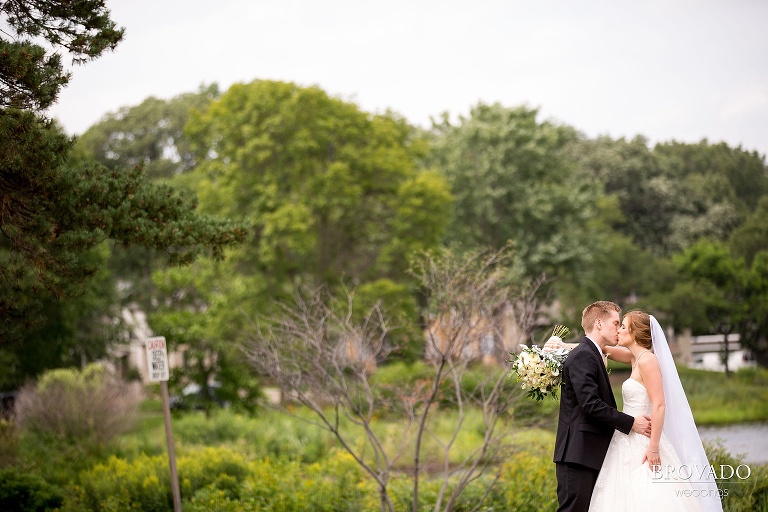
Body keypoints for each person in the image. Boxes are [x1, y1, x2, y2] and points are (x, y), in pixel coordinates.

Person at [547, 310, 723, 512]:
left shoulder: (648, 360)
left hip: (644, 439)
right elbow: (597, 350)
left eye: (623, 326)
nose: (619, 330)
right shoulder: (634, 357)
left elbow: (659, 405)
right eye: (618, 324)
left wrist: (654, 447)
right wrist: (564, 347)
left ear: (635, 332)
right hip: (625, 437)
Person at [551, 301, 652, 512]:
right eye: (616, 323)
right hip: (578, 455)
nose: (619, 328)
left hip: (589, 453)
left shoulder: (591, 353)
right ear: (599, 323)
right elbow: (591, 404)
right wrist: (631, 422)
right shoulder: (583, 355)